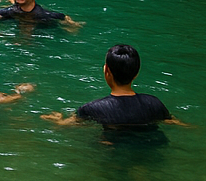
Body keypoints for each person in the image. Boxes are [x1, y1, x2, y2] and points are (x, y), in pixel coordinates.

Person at [41, 43, 184, 128]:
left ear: (107, 71)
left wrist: (58, 119)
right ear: (136, 73)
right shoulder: (154, 103)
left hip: (114, 153)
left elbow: (66, 125)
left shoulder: (91, 109)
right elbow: (174, 123)